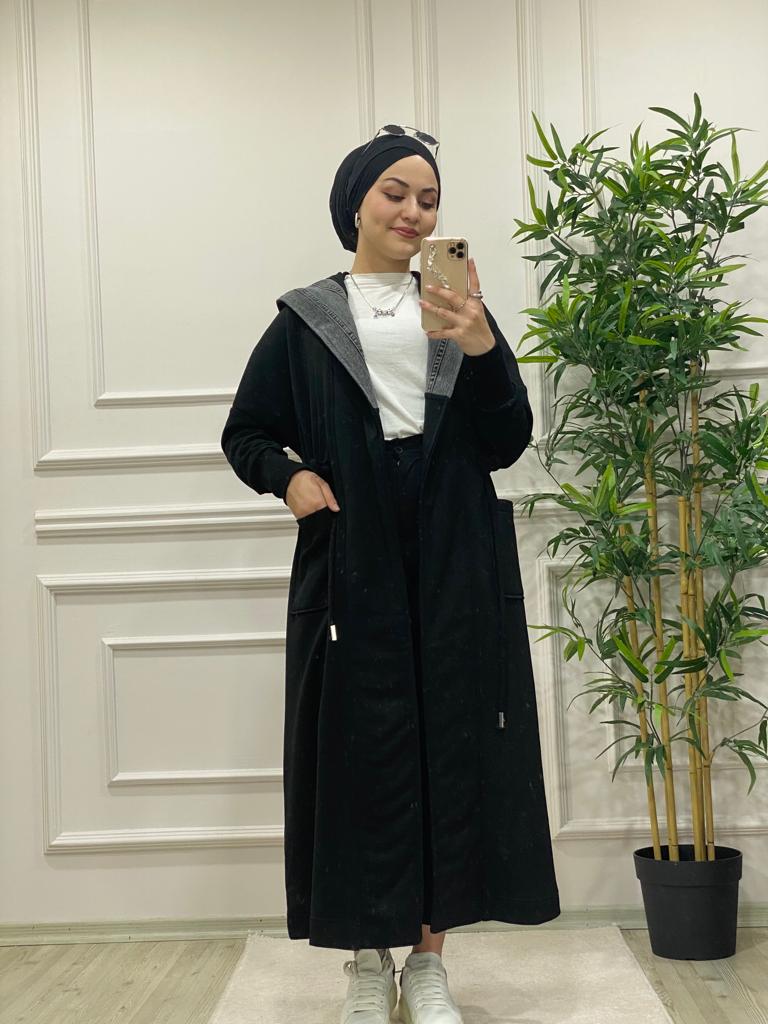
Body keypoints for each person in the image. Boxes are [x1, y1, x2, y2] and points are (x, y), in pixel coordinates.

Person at [220, 125, 560, 1024]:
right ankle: (368, 961)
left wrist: (482, 346)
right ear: (356, 203)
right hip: (352, 543)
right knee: (358, 744)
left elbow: (507, 438)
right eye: (396, 193)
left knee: (449, 737)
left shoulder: (456, 307)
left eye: (429, 199)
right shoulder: (305, 319)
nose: (414, 212)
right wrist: (290, 479)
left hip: (453, 543)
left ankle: (430, 960)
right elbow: (245, 432)